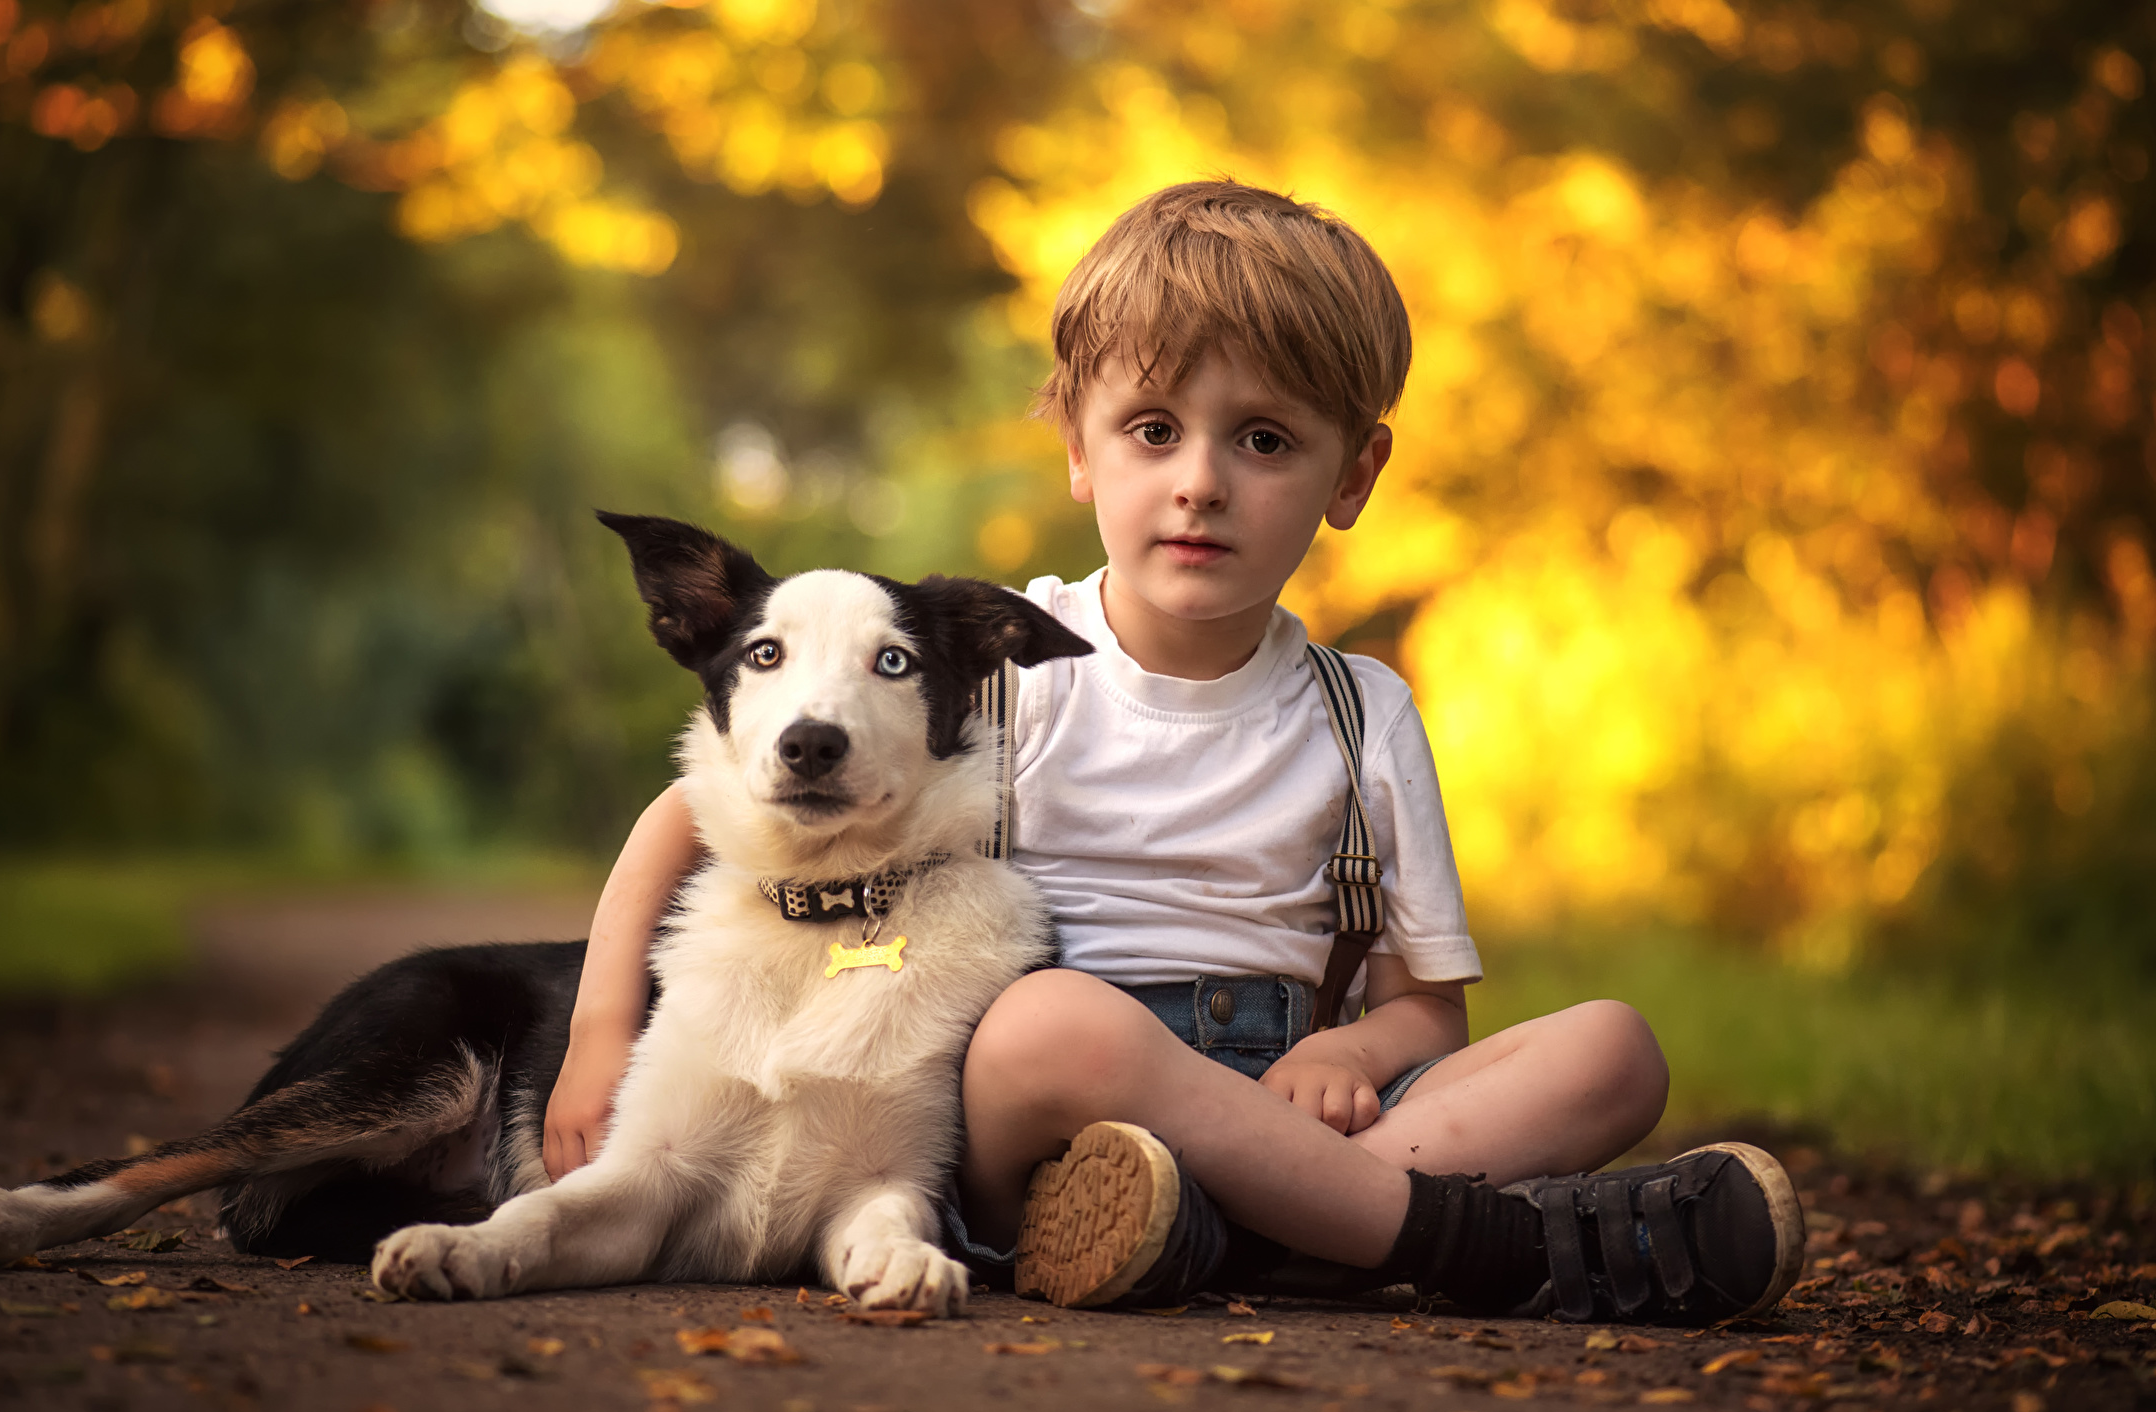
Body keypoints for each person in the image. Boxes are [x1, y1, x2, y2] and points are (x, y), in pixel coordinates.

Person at [544, 180, 1804, 1323]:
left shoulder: (1364, 713)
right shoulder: (1000, 666)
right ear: (1079, 452)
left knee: (1612, 1048)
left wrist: (1347, 1051)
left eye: (1262, 440)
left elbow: (1426, 1010)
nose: (1200, 481)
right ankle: (1461, 1244)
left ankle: (1234, 1231)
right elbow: (687, 817)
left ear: (1352, 473)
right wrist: (604, 1029)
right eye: (1153, 430)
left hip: (1296, 1099)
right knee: (1054, 1026)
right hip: (1033, 1121)